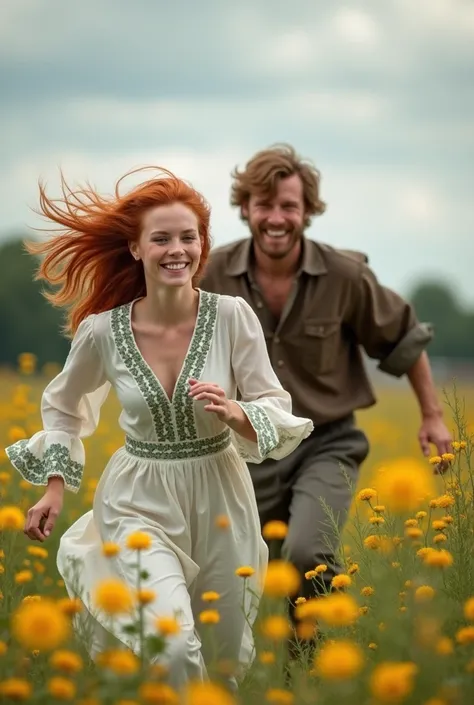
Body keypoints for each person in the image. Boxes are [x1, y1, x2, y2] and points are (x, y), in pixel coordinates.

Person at [5, 167, 313, 688]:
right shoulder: (102, 331)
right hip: (137, 498)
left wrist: (238, 413)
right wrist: (55, 488)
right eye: (162, 238)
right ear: (136, 249)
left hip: (220, 497)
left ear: (202, 246)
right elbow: (64, 404)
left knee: (219, 667)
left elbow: (272, 401)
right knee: (170, 647)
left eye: (188, 237)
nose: (178, 249)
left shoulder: (233, 316)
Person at [199, 144, 453, 600]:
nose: (276, 218)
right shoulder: (211, 274)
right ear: (245, 208)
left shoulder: (344, 275)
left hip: (325, 442)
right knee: (232, 570)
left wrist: (432, 415)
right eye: (264, 205)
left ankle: (314, 667)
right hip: (247, 447)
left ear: (308, 210)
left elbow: (405, 339)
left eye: (288, 206)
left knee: (307, 555)